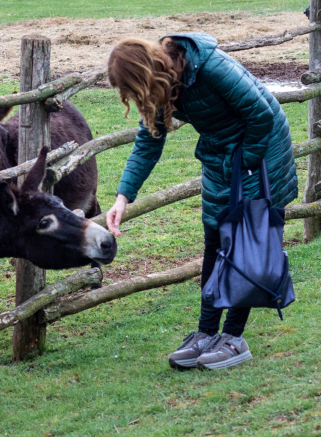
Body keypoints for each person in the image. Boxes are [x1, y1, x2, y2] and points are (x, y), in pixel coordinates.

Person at [104, 34, 298, 370]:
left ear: (144, 74)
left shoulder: (208, 67)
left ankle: (234, 338)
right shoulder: (162, 86)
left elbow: (262, 114)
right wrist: (123, 197)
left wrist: (244, 161)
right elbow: (149, 141)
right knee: (214, 238)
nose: (133, 98)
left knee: (244, 242)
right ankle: (206, 333)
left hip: (260, 151)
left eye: (132, 90)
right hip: (222, 156)